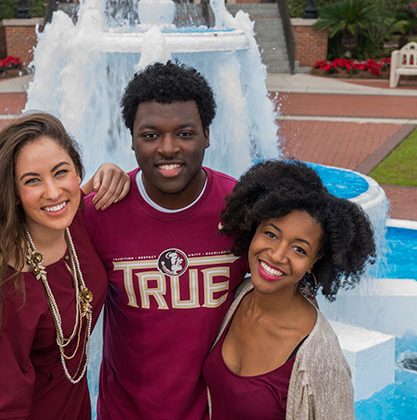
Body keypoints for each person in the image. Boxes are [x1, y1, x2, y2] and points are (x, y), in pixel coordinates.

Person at [83, 61, 248, 420]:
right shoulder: (101, 210)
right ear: (131, 139)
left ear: (207, 134)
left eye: (185, 134)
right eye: (151, 134)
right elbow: (36, 265)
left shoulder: (241, 209)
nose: (168, 148)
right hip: (124, 413)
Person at [0, 112, 130, 420]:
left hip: (72, 406)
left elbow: (74, 196)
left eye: (61, 172)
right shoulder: (7, 288)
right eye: (32, 181)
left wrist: (112, 171)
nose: (53, 192)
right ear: (14, 194)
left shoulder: (74, 224)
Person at [203, 159, 376, 420]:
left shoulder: (321, 360)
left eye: (299, 249)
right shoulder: (237, 296)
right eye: (271, 234)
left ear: (314, 260)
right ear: (254, 229)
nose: (277, 255)